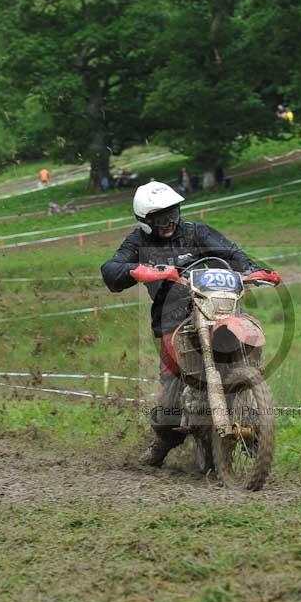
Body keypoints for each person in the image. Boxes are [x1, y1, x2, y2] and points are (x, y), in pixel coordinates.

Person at [101, 181, 278, 467]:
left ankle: (255, 418)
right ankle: (162, 442)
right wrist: (141, 270)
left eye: (173, 213)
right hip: (172, 322)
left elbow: (232, 253)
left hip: (215, 309)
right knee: (170, 401)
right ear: (145, 222)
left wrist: (252, 269)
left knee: (243, 343)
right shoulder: (138, 243)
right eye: (161, 218)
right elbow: (110, 269)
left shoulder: (197, 232)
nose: (169, 222)